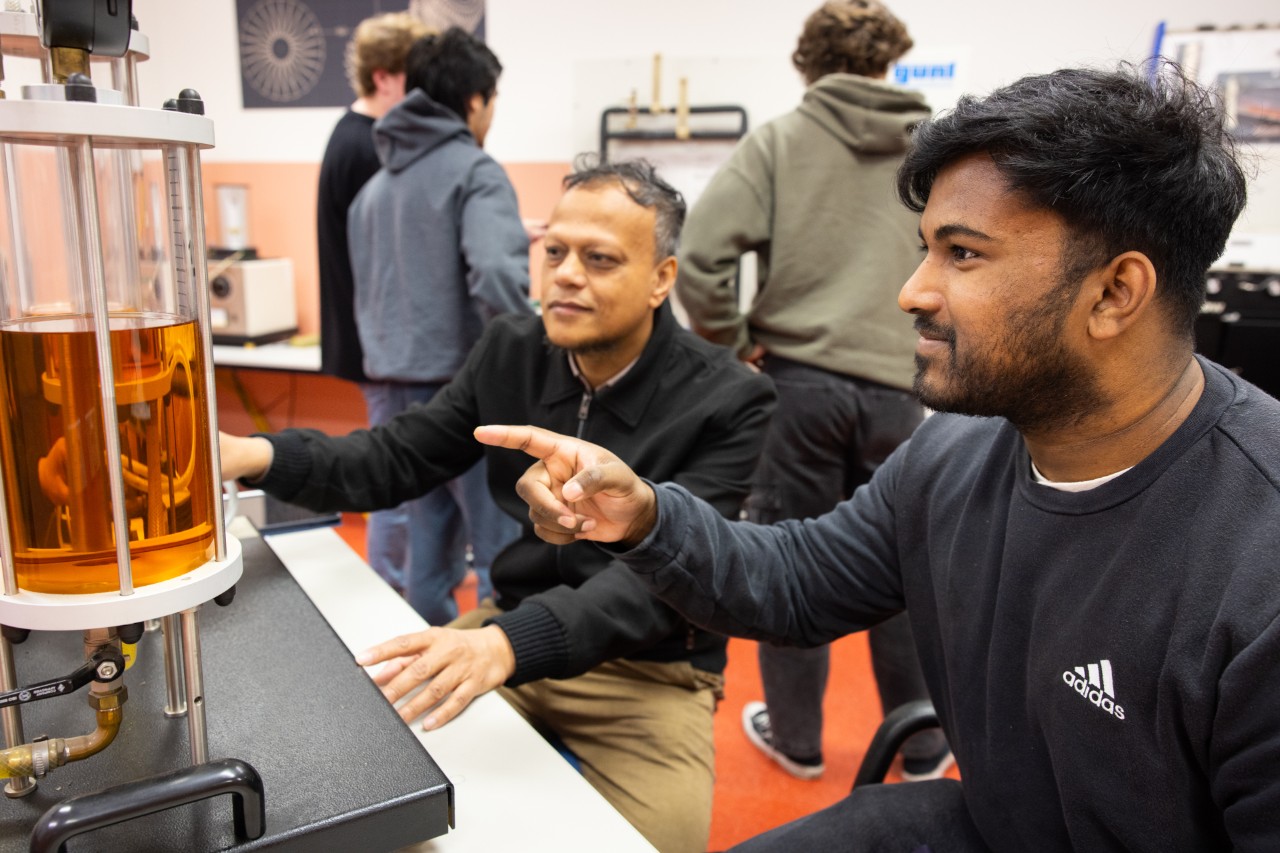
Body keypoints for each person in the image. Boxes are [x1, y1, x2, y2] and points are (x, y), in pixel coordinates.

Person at [480, 64, 1276, 852]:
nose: (912, 291)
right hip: (986, 822)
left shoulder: (1256, 566)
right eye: (926, 248)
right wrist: (645, 515)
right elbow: (794, 582)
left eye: (962, 254)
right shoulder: (955, 453)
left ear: (1114, 293)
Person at [221, 160, 777, 853]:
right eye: (555, 251)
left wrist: (506, 644)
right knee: (359, 791)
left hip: (648, 674)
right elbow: (394, 457)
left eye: (600, 258)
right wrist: (253, 455)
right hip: (506, 630)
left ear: (663, 278)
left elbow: (663, 587)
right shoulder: (512, 348)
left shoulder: (730, 398)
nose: (567, 274)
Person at [673, 0, 945, 781]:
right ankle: (921, 742)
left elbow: (700, 255)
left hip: (796, 390)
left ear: (808, 64)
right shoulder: (930, 152)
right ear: (889, 63)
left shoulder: (780, 142)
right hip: (903, 387)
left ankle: (796, 739)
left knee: (793, 561)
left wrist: (731, 340)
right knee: (900, 566)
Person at [346, 27, 530, 624]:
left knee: (426, 553)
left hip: (393, 393)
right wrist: (532, 362)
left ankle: (427, 679)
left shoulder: (372, 192)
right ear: (475, 100)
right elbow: (500, 278)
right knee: (505, 553)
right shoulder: (477, 172)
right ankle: (509, 688)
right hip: (466, 397)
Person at [316, 11, 431, 592]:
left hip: (374, 341)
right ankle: (387, 591)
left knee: (400, 475)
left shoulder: (355, 137)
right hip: (380, 347)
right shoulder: (367, 149)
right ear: (385, 77)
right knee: (396, 479)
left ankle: (396, 583)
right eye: (415, 78)